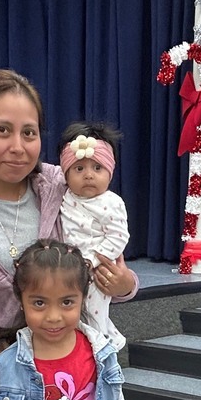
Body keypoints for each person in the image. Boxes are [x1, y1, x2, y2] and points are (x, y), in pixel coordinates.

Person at [0, 68, 139, 363]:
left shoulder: (62, 187)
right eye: (2, 130)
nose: (18, 147)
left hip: (62, 363)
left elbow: (105, 256)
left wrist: (125, 285)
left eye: (29, 133)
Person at [0, 240, 132, 400]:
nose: (54, 316)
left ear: (83, 299)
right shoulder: (7, 365)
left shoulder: (101, 354)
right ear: (21, 301)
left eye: (67, 302)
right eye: (39, 303)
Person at [57, 121, 129, 348]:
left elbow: (118, 237)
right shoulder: (63, 197)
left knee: (95, 313)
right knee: (71, 313)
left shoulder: (111, 202)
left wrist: (93, 260)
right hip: (66, 269)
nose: (88, 175)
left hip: (98, 270)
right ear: (66, 174)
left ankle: (103, 346)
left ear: (110, 172)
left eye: (97, 168)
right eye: (79, 169)